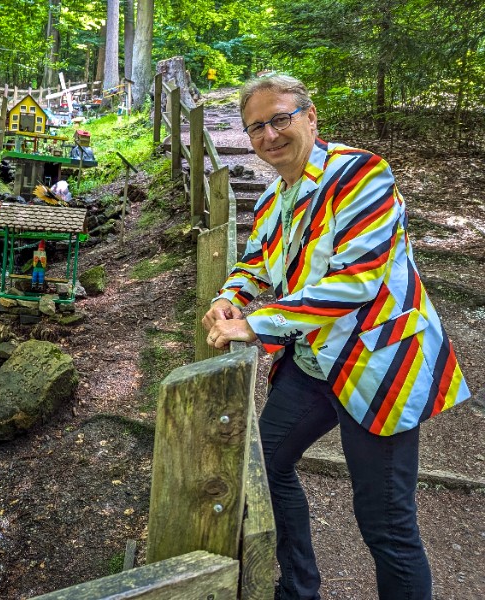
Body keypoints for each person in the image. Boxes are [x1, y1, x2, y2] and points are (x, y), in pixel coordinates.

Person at [201, 75, 470, 600]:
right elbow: (258, 261)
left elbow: (357, 280)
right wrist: (230, 295)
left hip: (377, 366)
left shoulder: (362, 174)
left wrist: (254, 324)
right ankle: (298, 589)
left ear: (310, 116)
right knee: (263, 468)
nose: (269, 135)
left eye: (280, 118)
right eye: (256, 126)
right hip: (311, 363)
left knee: (386, 523)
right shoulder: (277, 196)